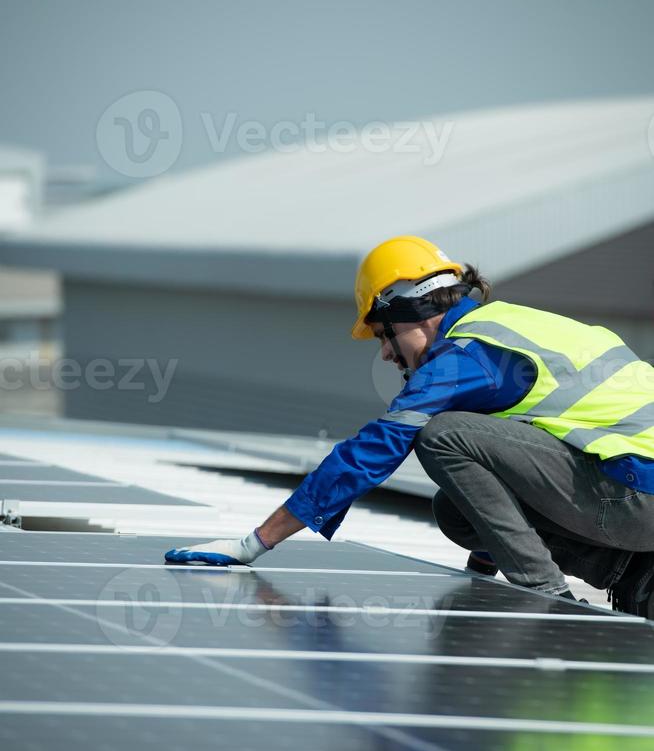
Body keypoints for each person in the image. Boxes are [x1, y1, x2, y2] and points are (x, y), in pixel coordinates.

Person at [166, 235, 654, 617]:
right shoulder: (510, 327)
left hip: (635, 498)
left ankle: (550, 597)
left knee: (442, 435)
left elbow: (374, 449)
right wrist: (483, 570)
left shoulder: (465, 355)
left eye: (384, 334)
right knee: (457, 508)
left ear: (412, 310)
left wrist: (255, 542)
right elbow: (506, 470)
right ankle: (627, 572)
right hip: (629, 493)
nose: (384, 352)